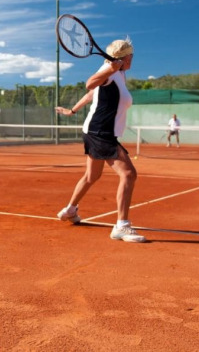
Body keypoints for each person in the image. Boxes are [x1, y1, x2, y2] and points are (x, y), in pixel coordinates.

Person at [54, 38, 145, 243]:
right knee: (129, 174)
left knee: (91, 176)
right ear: (125, 56)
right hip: (100, 132)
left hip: (96, 130)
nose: (132, 59)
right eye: (131, 55)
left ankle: (70, 210)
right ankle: (122, 226)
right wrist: (109, 69)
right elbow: (90, 83)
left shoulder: (119, 73)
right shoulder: (110, 70)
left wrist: (72, 111)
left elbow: (89, 95)